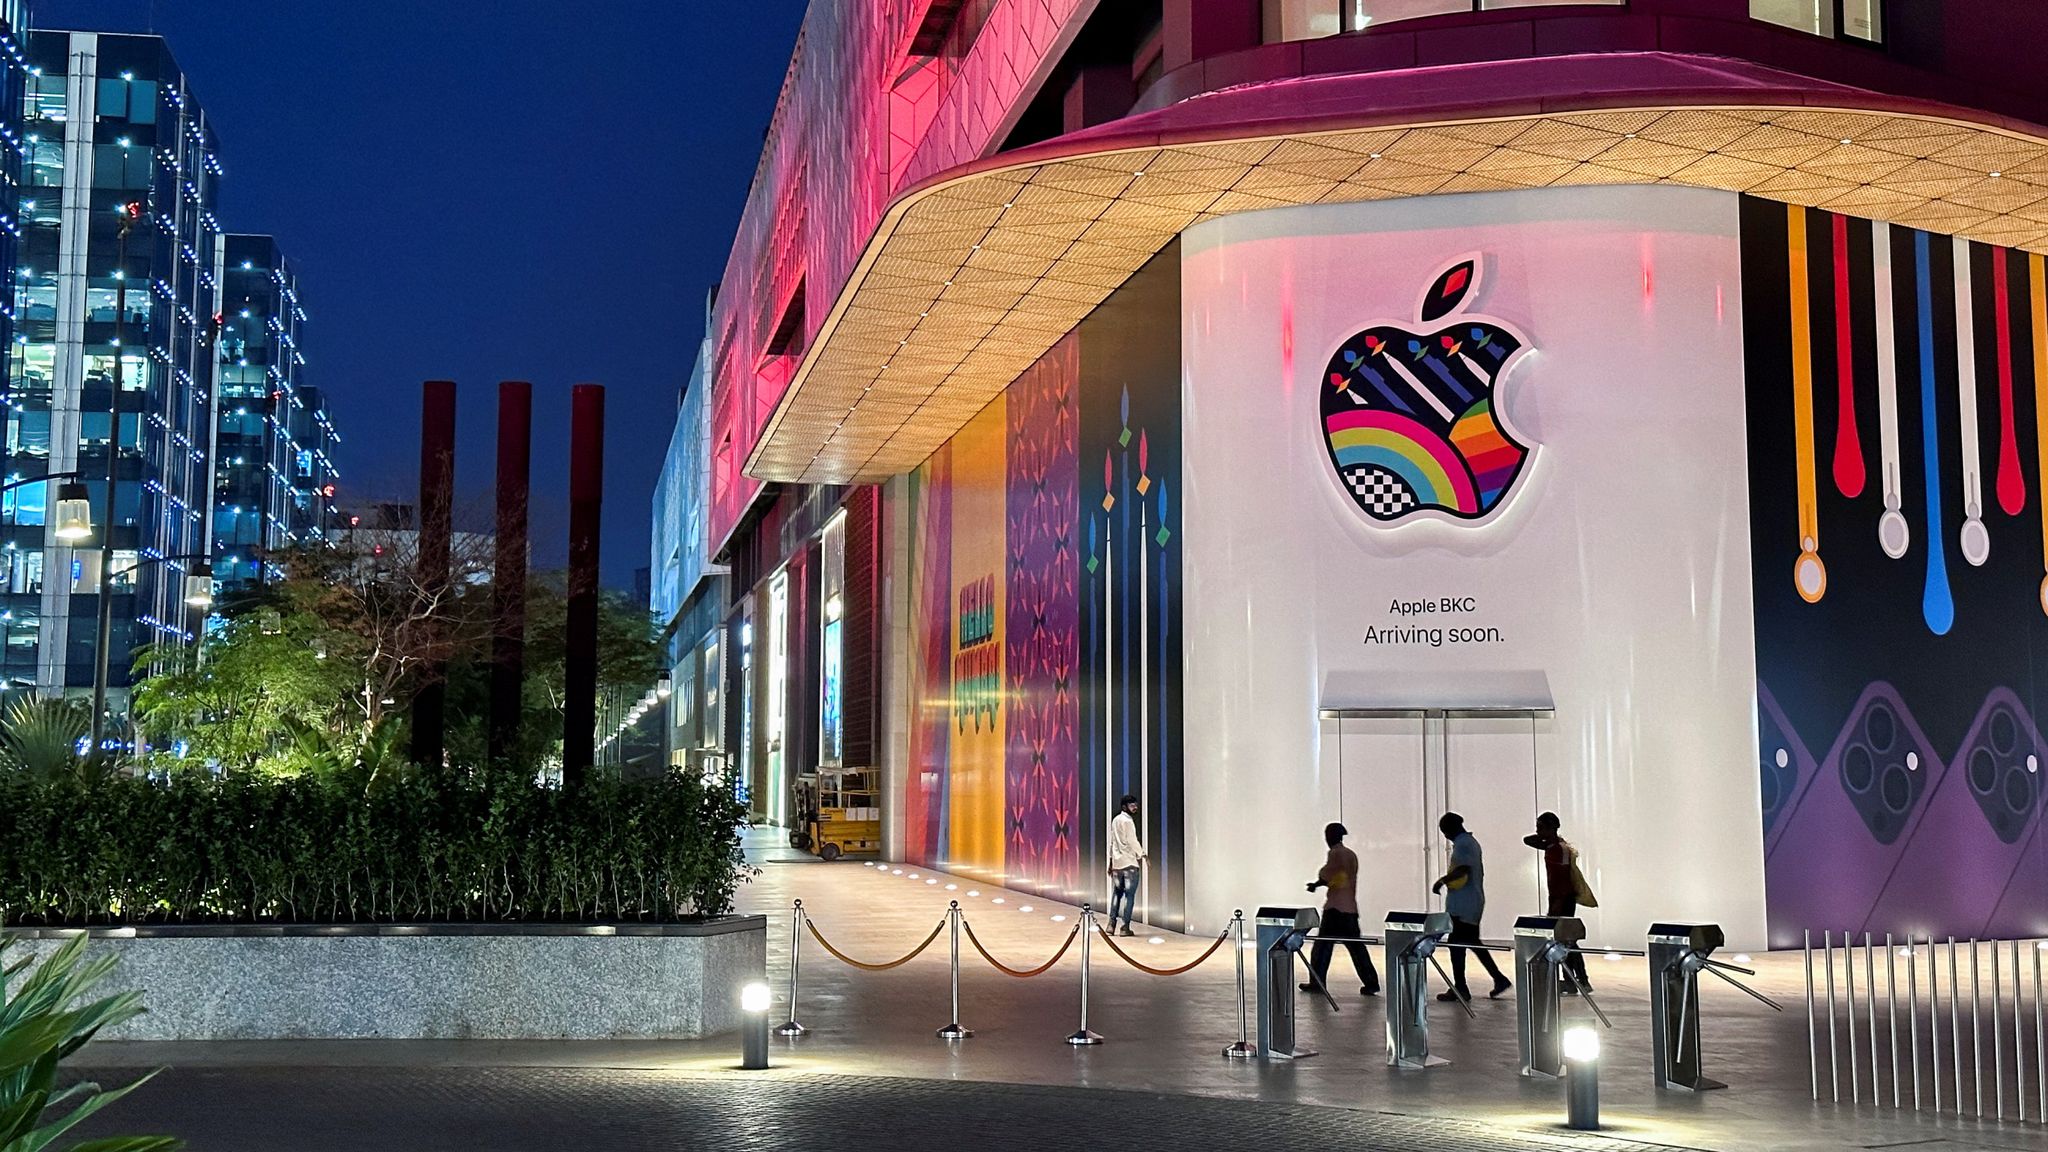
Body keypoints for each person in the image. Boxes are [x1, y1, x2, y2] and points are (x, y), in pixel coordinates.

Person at [1431, 812, 1511, 1002]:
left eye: (1444, 832)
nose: (1445, 836)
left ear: (1450, 829)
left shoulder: (1463, 844)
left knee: (1456, 945)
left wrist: (1442, 881)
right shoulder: (1469, 842)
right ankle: (1497, 979)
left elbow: (1463, 868)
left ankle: (1461, 988)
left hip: (1463, 904)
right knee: (1472, 942)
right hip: (1471, 901)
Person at [1301, 821, 1380, 996]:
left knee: (1322, 948)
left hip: (1335, 908)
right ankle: (1371, 982)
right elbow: (1339, 876)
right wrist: (1319, 883)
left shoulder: (1335, 854)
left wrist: (1317, 882)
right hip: (1350, 908)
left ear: (1330, 836)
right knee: (1357, 949)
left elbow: (1328, 874)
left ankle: (1317, 982)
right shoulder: (1351, 854)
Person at [1523, 811, 1594, 993]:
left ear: (1551, 828)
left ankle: (1578, 979)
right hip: (1559, 898)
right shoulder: (1555, 846)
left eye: (1540, 827)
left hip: (1562, 899)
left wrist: (1556, 906)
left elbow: (1561, 879)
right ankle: (1575, 979)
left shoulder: (1557, 850)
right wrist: (1548, 838)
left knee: (1566, 941)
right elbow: (1528, 840)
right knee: (1565, 940)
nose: (1537, 831)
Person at [1107, 794, 1144, 937]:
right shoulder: (1128, 821)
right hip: (1129, 863)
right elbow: (1132, 840)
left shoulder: (1115, 820)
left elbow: (1112, 842)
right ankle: (1125, 927)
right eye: (1132, 805)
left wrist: (1111, 861)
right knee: (1129, 896)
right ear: (1124, 807)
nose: (1135, 807)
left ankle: (1111, 925)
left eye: (1135, 804)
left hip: (1117, 864)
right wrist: (1142, 854)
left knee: (1116, 893)